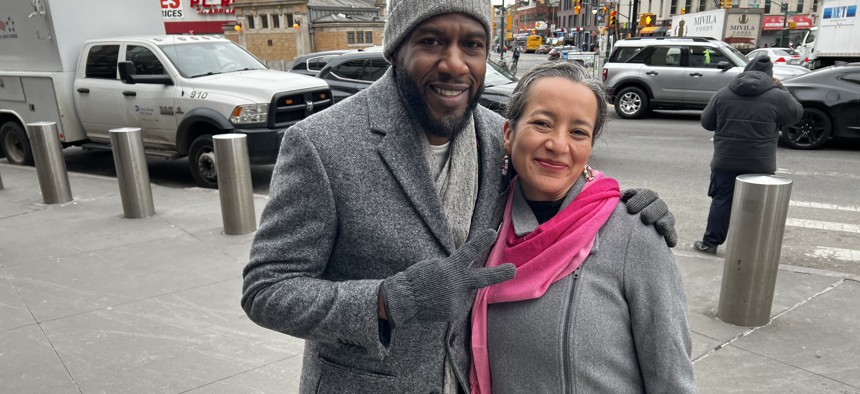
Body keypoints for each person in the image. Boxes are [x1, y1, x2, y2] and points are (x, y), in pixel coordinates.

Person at [241, 0, 676, 391]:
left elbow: (560, 172)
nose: (454, 64)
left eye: (472, 45)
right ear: (397, 49)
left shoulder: (497, 135)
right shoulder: (321, 143)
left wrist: (624, 206)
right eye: (432, 41)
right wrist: (389, 300)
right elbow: (266, 290)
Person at [469, 61, 695, 393]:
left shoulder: (634, 232)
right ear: (508, 134)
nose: (559, 145)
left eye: (578, 132)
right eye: (542, 123)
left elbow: (671, 377)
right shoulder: (483, 221)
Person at [693, 55, 803, 254]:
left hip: (725, 160)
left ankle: (710, 243)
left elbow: (707, 123)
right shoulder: (777, 96)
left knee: (722, 200)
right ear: (770, 76)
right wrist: (781, 88)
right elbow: (796, 115)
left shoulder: (723, 93)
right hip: (760, 163)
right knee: (756, 204)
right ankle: (750, 250)